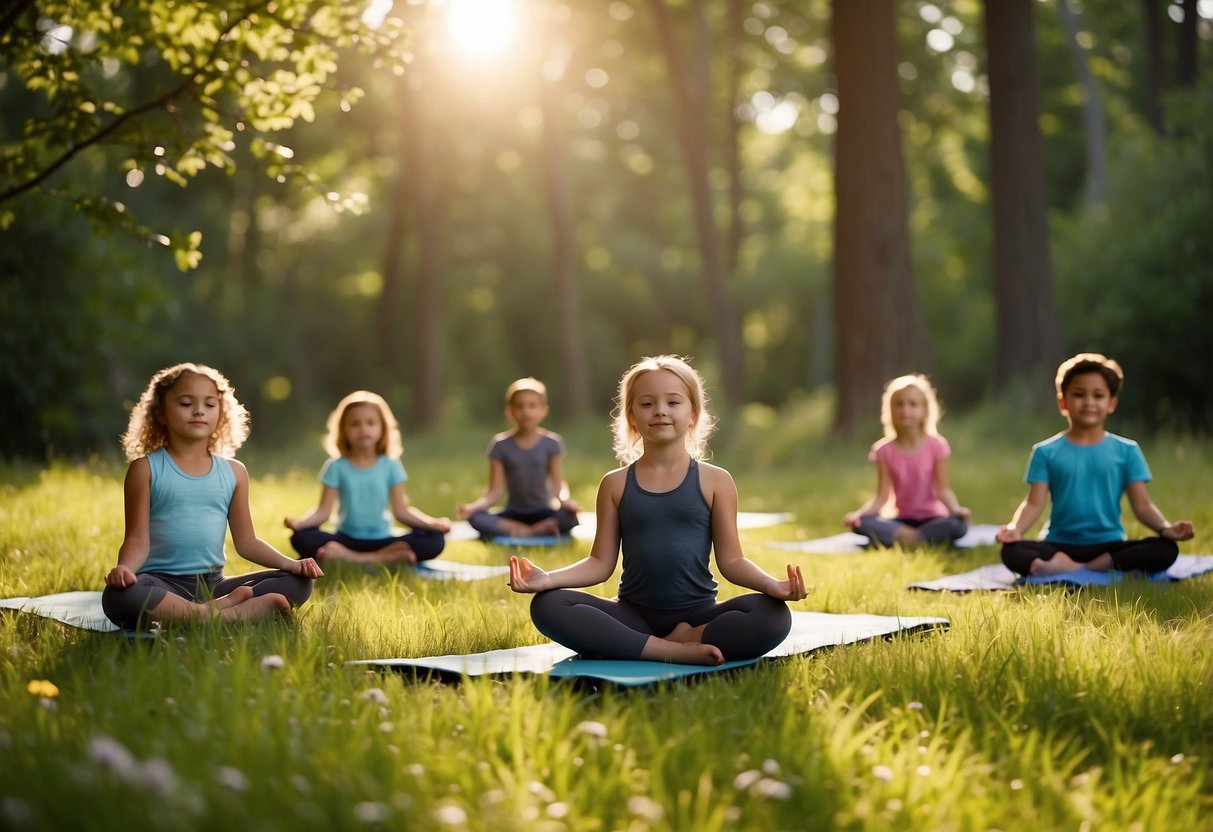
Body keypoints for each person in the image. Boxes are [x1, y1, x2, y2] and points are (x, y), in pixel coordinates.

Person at [508, 356, 807, 666]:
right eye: (647, 403)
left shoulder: (716, 481)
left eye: (673, 402)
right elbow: (600, 563)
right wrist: (549, 579)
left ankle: (678, 640)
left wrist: (773, 586)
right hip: (632, 614)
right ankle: (671, 650)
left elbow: (732, 561)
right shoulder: (615, 484)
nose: (660, 410)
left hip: (698, 616)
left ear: (693, 414)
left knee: (773, 616)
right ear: (632, 417)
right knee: (547, 606)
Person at [102, 363, 322, 629]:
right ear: (160, 413)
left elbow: (247, 542)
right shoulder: (145, 469)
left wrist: (291, 564)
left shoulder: (234, 472)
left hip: (214, 586)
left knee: (297, 582)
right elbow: (137, 539)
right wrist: (125, 568)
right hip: (160, 584)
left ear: (221, 413)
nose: (199, 411)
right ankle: (220, 615)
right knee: (119, 596)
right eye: (186, 403)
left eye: (209, 404)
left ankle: (196, 614)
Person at [996, 353, 1195, 577]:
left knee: (1166, 549)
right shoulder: (1045, 452)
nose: (1089, 402)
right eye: (1079, 394)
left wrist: (1165, 528)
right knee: (1011, 551)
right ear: (1063, 402)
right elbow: (1033, 504)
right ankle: (1077, 566)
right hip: (1058, 546)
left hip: (1109, 546)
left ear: (1111, 403)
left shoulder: (1127, 451)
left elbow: (1143, 505)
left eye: (1098, 395)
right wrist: (1015, 529)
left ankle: (1087, 568)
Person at [285, 391, 450, 565]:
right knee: (301, 538)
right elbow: (323, 512)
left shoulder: (391, 465)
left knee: (435, 540)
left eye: (371, 423)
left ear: (382, 428)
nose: (364, 429)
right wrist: (301, 524)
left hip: (383, 539)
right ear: (344, 430)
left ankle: (347, 557)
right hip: (346, 538)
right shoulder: (336, 467)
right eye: (355, 424)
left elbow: (402, 511)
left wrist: (433, 524)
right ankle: (385, 558)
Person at [842, 374, 971, 548]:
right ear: (890, 410)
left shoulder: (937, 446)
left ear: (924, 409)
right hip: (900, 521)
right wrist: (859, 514)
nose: (905, 410)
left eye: (912, 404)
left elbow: (943, 490)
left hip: (933, 519)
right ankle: (917, 539)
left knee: (958, 524)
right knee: (861, 524)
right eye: (899, 404)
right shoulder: (883, 451)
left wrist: (955, 509)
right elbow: (882, 496)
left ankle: (907, 539)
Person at [457, 377, 581, 540]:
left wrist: (566, 502)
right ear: (510, 411)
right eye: (520, 406)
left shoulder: (552, 443)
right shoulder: (500, 445)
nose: (526, 412)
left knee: (569, 518)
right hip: (513, 514)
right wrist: (474, 507)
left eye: (532, 406)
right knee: (476, 518)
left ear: (543, 410)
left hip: (543, 512)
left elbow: (558, 486)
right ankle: (533, 531)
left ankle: (522, 531)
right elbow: (494, 492)